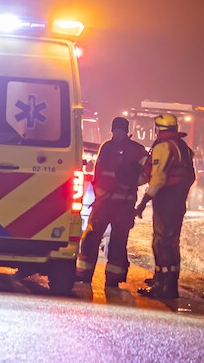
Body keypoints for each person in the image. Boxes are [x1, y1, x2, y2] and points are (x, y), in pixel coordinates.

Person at [75, 117, 149, 287]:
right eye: (115, 130)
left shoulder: (137, 150)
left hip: (124, 204)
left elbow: (148, 171)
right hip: (104, 202)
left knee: (118, 241)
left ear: (126, 131)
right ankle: (84, 273)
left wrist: (133, 181)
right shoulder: (106, 147)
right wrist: (98, 190)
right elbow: (98, 172)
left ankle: (114, 279)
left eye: (121, 130)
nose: (118, 133)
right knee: (91, 237)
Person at [136, 113, 197, 299]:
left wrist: (144, 200)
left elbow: (159, 177)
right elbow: (189, 176)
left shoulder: (163, 147)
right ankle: (165, 281)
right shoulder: (183, 147)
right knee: (171, 242)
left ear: (157, 128)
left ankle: (165, 288)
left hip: (166, 200)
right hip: (177, 200)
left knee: (162, 242)